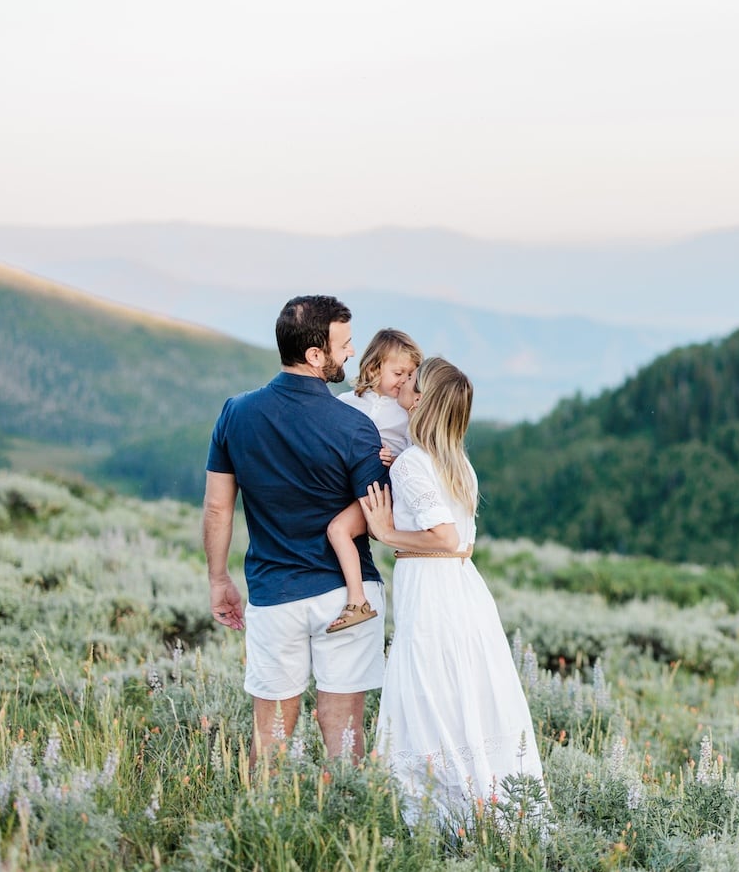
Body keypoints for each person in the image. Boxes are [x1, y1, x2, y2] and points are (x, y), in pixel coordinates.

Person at [358, 356, 548, 826]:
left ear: (420, 401)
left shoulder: (410, 465)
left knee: (426, 694)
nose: (402, 384)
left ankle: (438, 817)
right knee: (463, 693)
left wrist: (385, 532)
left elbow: (443, 535)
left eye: (411, 382)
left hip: (432, 589)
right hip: (463, 587)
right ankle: (484, 808)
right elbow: (461, 539)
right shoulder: (457, 462)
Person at [203, 295, 387, 765]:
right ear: (314, 355)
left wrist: (218, 578)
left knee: (271, 734)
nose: (350, 353)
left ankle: (266, 827)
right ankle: (347, 826)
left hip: (273, 592)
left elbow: (218, 509)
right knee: (344, 732)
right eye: (343, 345)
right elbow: (378, 520)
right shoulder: (356, 426)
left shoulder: (235, 414)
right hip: (348, 594)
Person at [325, 328, 424, 633]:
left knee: (339, 529)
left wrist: (397, 459)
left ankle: (358, 600)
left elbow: (416, 450)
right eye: (398, 372)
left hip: (381, 489)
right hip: (351, 485)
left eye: (410, 375)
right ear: (373, 368)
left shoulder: (405, 412)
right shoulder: (346, 402)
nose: (405, 381)